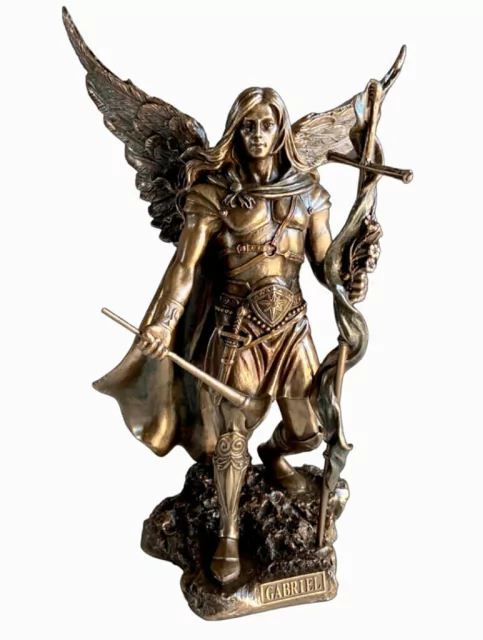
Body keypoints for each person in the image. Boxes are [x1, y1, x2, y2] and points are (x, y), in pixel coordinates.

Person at [129, 87, 334, 584]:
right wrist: (164, 321)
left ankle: (276, 455)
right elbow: (184, 267)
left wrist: (355, 267)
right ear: (235, 132)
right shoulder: (212, 195)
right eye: (248, 126)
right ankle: (228, 534)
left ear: (280, 130)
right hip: (236, 331)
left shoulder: (308, 193)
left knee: (312, 429)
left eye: (267, 125)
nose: (257, 135)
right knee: (232, 436)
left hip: (293, 331)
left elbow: (327, 266)